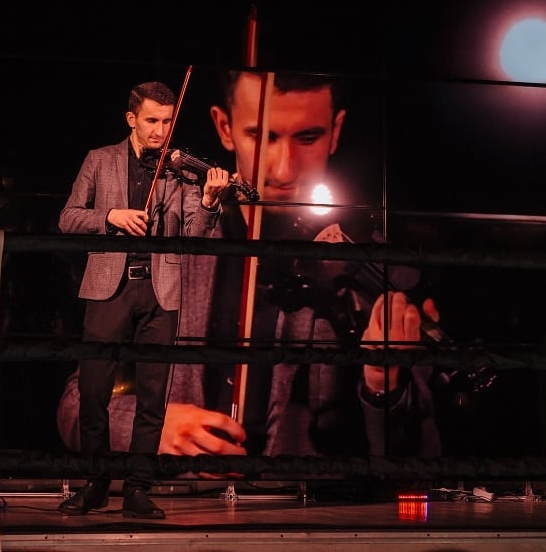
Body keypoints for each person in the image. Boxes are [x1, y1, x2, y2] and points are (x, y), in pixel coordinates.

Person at [57, 70, 441, 479]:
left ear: (335, 132)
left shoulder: (380, 270)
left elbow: (420, 451)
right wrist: (151, 428)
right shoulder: (173, 243)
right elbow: (74, 406)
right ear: (225, 128)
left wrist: (384, 386)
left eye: (307, 138)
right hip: (184, 507)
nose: (283, 169)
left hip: (305, 510)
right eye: (261, 136)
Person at [56, 80, 229, 517]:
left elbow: (194, 235)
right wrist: (111, 217)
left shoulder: (180, 171)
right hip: (108, 287)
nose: (160, 131)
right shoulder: (100, 159)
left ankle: (137, 489)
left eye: (167, 121)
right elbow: (68, 218)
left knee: (153, 398)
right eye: (152, 120)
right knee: (94, 391)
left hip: (159, 289)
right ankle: (95, 484)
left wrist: (209, 201)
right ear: (131, 119)